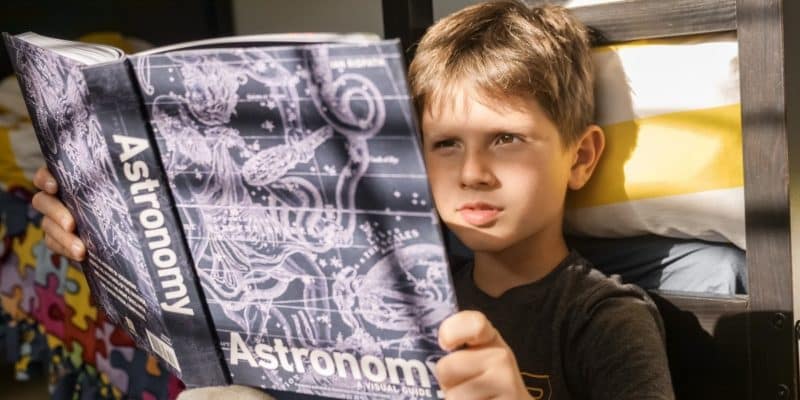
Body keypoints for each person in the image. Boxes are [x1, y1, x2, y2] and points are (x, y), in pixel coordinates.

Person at [32, 1, 674, 399]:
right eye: (445, 144)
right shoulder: (391, 282)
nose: (473, 172)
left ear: (581, 158)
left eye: (506, 139)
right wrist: (103, 229)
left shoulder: (604, 318)